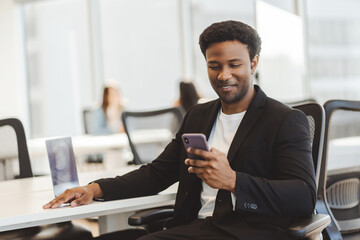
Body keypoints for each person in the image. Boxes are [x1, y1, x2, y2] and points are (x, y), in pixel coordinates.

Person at [43, 20, 316, 240]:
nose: (223, 75)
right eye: (214, 66)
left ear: (254, 63)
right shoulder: (199, 115)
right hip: (193, 228)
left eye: (235, 65)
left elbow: (303, 197)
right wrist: (95, 188)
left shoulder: (284, 120)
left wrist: (233, 180)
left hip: (247, 232)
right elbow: (157, 173)